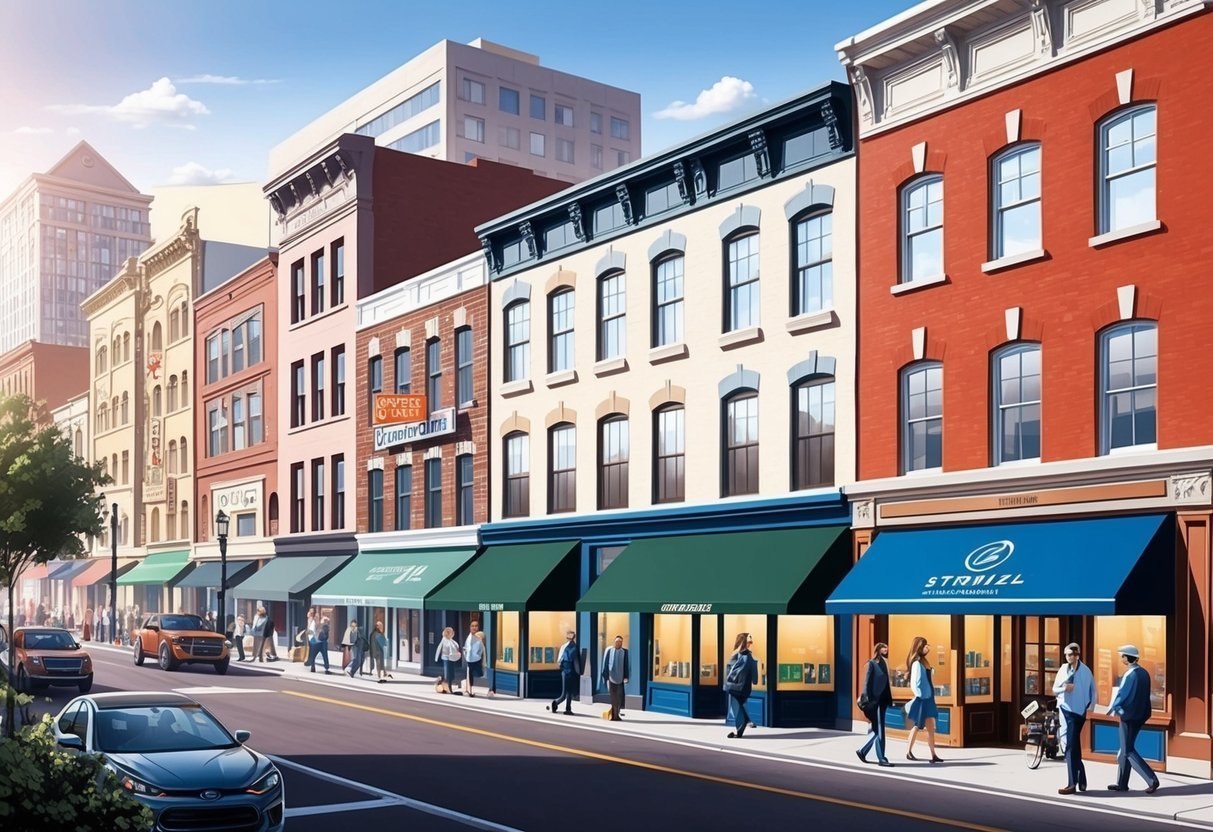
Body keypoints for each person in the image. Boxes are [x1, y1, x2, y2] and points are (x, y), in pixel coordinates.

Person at [1106, 644, 1160, 794]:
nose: (1121, 658)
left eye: (1122, 656)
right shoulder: (1144, 673)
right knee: (1125, 749)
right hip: (1140, 715)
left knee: (1127, 750)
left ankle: (1151, 779)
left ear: (1126, 658)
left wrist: (1115, 708)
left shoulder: (1129, 675)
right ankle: (1122, 783)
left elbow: (1123, 695)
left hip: (1128, 717)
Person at [1054, 642, 1095, 794]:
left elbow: (1093, 691)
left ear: (1078, 655)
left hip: (1079, 712)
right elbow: (1054, 689)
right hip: (1065, 710)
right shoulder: (1063, 669)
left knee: (1072, 745)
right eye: (1067, 654)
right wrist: (1064, 688)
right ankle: (1076, 781)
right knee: (1070, 745)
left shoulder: (1085, 671)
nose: (1070, 657)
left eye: (1072, 654)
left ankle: (1076, 781)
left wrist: (1088, 708)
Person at [904, 636, 942, 763]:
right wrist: (919, 695)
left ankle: (933, 755)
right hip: (922, 700)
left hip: (929, 699)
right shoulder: (916, 663)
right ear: (919, 647)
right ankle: (909, 751)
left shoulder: (924, 662)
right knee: (917, 726)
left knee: (931, 728)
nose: (927, 648)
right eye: (925, 645)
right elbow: (915, 683)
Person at [857, 642, 894, 767]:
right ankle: (881, 758)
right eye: (884, 647)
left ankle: (863, 751)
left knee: (879, 730)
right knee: (879, 730)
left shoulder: (885, 663)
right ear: (878, 649)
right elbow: (867, 683)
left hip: (884, 699)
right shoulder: (872, 664)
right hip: (874, 700)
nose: (886, 649)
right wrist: (868, 699)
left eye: (886, 648)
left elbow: (887, 682)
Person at [723, 632, 758, 738]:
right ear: (742, 642)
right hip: (739, 686)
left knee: (737, 706)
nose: (749, 645)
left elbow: (729, 670)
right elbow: (730, 670)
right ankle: (742, 726)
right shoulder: (740, 654)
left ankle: (743, 723)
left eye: (750, 643)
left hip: (737, 686)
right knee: (738, 705)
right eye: (748, 643)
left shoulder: (741, 654)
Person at [549, 630, 583, 715]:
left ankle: (556, 702)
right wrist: (579, 672)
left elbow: (559, 661)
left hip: (564, 671)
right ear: (574, 637)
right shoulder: (574, 648)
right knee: (569, 692)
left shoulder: (563, 647)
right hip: (571, 672)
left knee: (564, 692)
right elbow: (576, 663)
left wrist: (563, 669)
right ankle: (568, 709)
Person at [601, 635, 629, 721]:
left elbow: (626, 665)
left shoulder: (625, 652)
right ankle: (615, 715)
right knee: (613, 697)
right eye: (617, 641)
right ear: (614, 642)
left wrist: (626, 677)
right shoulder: (610, 651)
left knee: (619, 697)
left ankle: (617, 713)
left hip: (620, 678)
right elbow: (605, 664)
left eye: (620, 642)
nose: (618, 643)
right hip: (611, 677)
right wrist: (605, 677)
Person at [435, 626, 461, 694]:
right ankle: (448, 687)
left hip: (451, 659)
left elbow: (454, 648)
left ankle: (445, 685)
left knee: (450, 674)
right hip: (447, 659)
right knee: (448, 674)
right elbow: (440, 648)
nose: (453, 633)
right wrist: (436, 658)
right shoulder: (445, 640)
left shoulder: (451, 641)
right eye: (452, 632)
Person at [463, 620, 485, 697]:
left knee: (479, 674)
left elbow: (482, 650)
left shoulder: (479, 638)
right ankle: (470, 691)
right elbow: (466, 649)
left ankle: (471, 690)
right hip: (471, 660)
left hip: (478, 660)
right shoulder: (469, 638)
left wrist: (478, 656)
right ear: (470, 627)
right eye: (472, 626)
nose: (474, 627)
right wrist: (467, 657)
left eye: (476, 626)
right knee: (470, 675)